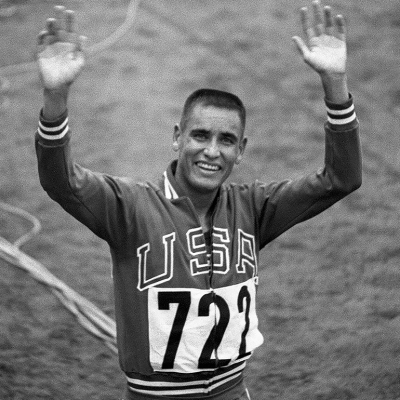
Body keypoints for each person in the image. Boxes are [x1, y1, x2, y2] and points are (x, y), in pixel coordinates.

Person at [35, 1, 362, 399]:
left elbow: (340, 179)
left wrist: (335, 82)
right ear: (177, 137)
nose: (211, 151)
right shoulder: (129, 207)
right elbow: (61, 181)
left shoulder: (254, 208)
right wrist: (56, 98)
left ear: (241, 150)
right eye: (200, 136)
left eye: (226, 141)